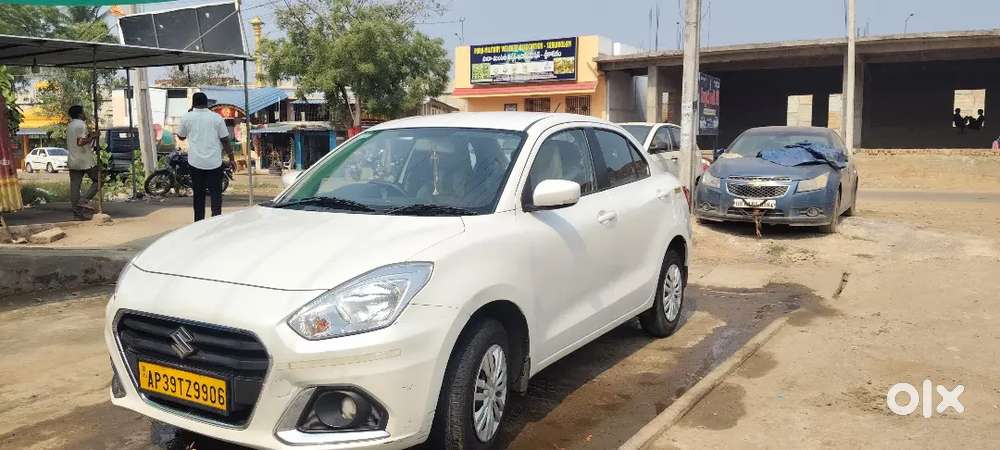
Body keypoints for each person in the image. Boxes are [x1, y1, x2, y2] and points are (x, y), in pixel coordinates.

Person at [176, 92, 236, 221]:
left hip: (196, 163)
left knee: (199, 195)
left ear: (193, 103)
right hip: (214, 163)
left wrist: (190, 114)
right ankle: (216, 220)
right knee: (216, 194)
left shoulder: (187, 117)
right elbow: (225, 140)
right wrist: (232, 159)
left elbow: (181, 136)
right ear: (207, 103)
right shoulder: (216, 118)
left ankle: (199, 222)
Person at [66, 105, 99, 220]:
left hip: (73, 159)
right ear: (80, 114)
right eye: (83, 112)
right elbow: (80, 142)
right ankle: (84, 200)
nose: (85, 114)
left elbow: (78, 140)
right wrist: (93, 137)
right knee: (99, 179)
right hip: (85, 160)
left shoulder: (70, 125)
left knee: (75, 187)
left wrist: (91, 136)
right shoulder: (81, 124)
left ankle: (77, 214)